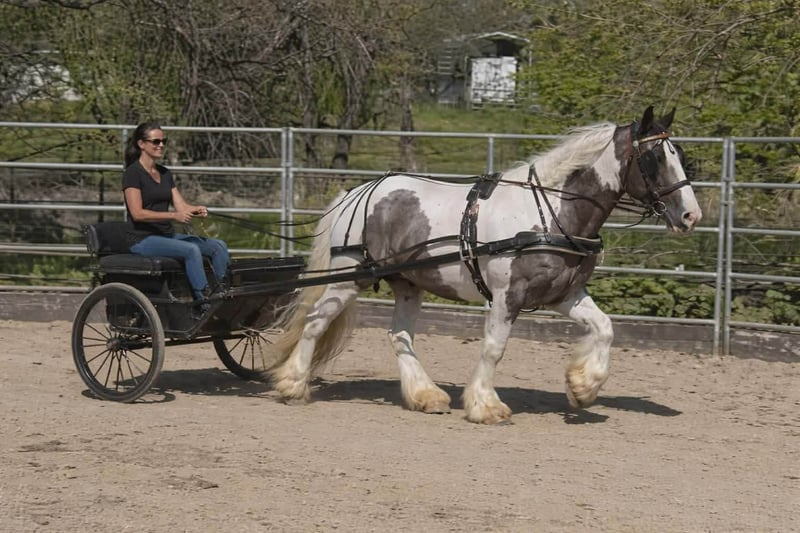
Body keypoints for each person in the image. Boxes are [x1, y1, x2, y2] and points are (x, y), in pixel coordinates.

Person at [122, 122, 229, 302]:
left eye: (163, 141)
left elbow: (181, 207)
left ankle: (224, 294)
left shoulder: (165, 173)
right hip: (141, 239)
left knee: (218, 246)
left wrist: (195, 209)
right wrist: (174, 216)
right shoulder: (133, 173)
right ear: (141, 144)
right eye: (156, 141)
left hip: (166, 236)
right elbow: (137, 213)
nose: (161, 145)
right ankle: (204, 301)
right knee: (191, 249)